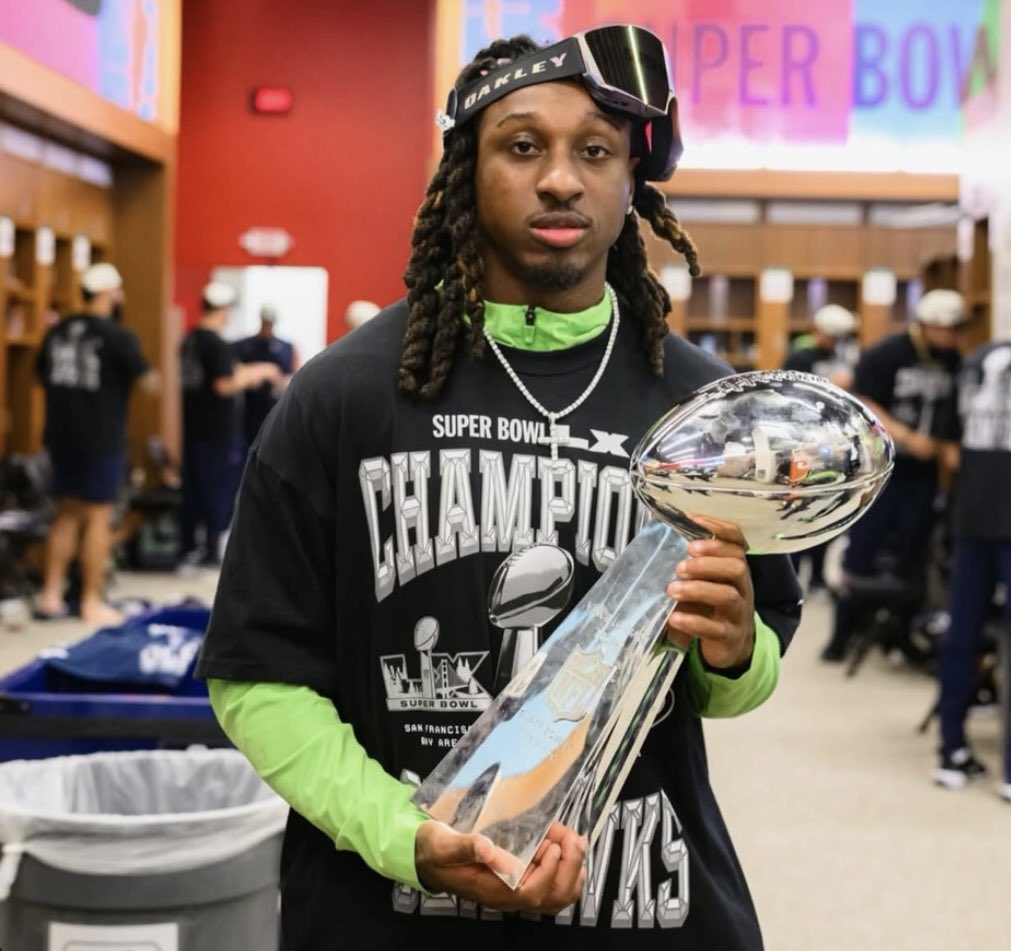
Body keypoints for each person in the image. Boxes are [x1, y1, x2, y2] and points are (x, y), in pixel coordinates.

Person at [196, 26, 802, 949]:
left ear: (631, 176)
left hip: (646, 900)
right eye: (523, 146)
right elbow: (257, 676)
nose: (560, 178)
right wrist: (406, 835)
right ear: (464, 171)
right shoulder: (343, 395)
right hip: (384, 909)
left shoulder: (702, 410)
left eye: (593, 150)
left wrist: (729, 646)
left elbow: (743, 673)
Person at [821, 289, 964, 662]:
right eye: (946, 329)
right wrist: (905, 436)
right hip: (883, 469)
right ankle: (842, 633)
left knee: (912, 552)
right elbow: (864, 401)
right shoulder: (888, 353)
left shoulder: (951, 360)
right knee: (863, 548)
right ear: (927, 324)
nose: (951, 337)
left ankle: (899, 633)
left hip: (923, 474)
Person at [34, 262, 159, 625]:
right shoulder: (116, 336)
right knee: (98, 517)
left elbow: (41, 376)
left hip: (60, 437)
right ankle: (90, 601)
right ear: (107, 293)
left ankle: (51, 596)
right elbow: (147, 381)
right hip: (99, 437)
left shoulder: (58, 332)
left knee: (66, 514)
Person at [933, 339, 1011, 802]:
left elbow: (949, 451)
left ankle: (951, 752)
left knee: (961, 636)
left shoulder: (974, 360)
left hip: (973, 515)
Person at [178, 282, 280, 568]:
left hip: (193, 428)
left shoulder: (191, 340)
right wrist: (254, 375)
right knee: (217, 491)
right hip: (217, 432)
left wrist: (252, 370)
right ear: (222, 310)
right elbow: (224, 384)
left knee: (195, 489)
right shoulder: (216, 343)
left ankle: (189, 547)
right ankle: (211, 547)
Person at [783, 303, 858, 591]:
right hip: (805, 444)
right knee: (799, 509)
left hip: (833, 444)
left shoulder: (844, 356)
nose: (833, 342)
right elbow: (791, 395)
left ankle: (816, 575)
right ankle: (794, 574)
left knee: (826, 510)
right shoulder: (801, 357)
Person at [232, 304, 300, 448]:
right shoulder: (243, 346)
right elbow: (234, 373)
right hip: (248, 409)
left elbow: (294, 376)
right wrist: (260, 372)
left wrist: (280, 381)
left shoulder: (286, 347)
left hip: (275, 407)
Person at [784, 302, 857, 390]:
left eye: (840, 338)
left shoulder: (850, 356)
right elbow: (790, 389)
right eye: (831, 337)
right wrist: (829, 382)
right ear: (817, 330)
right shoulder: (799, 359)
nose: (835, 342)